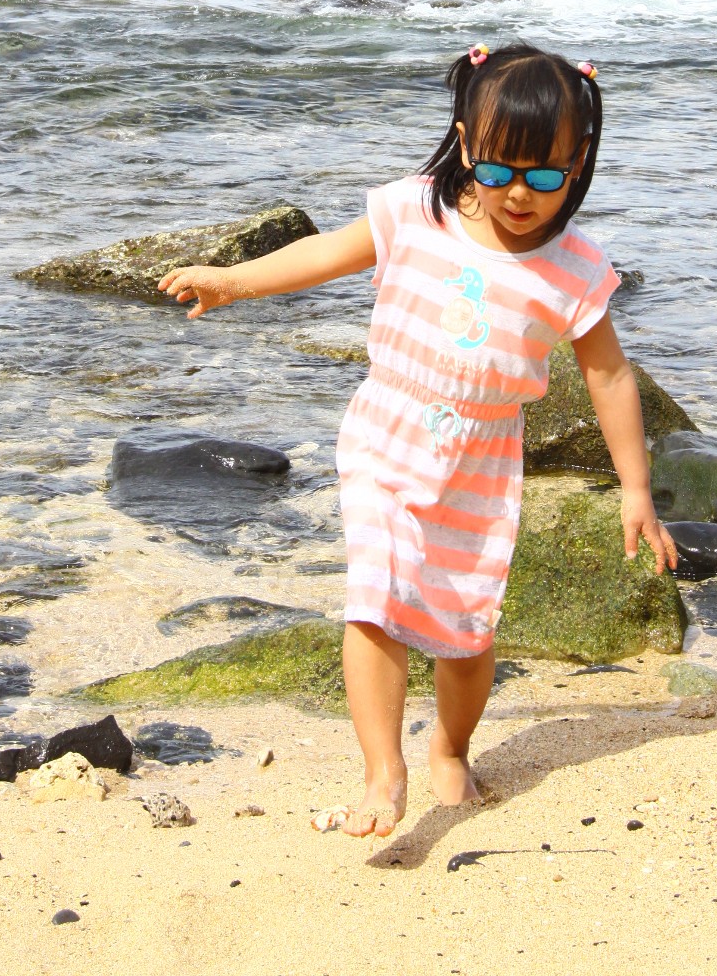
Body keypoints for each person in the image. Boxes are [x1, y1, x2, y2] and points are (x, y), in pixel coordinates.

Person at [159, 41, 677, 838]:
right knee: (374, 600)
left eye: (545, 177)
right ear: (466, 144)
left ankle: (449, 747)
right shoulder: (415, 208)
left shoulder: (574, 266)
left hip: (483, 458)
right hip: (387, 429)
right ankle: (381, 774)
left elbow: (609, 379)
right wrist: (235, 281)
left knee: (465, 633)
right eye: (498, 169)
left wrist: (635, 491)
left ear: (577, 166)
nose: (516, 194)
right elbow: (321, 255)